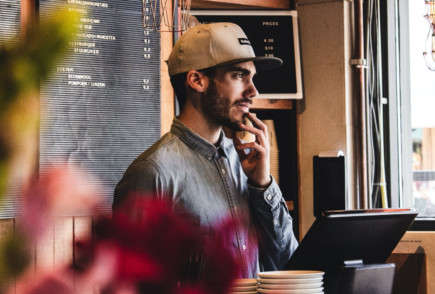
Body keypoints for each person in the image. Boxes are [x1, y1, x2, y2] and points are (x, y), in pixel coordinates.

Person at [113, 22, 297, 278]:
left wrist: (262, 185)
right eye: (239, 75)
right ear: (197, 80)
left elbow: (287, 264)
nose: (253, 91)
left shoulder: (248, 165)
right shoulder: (153, 173)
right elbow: (131, 290)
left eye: (252, 77)